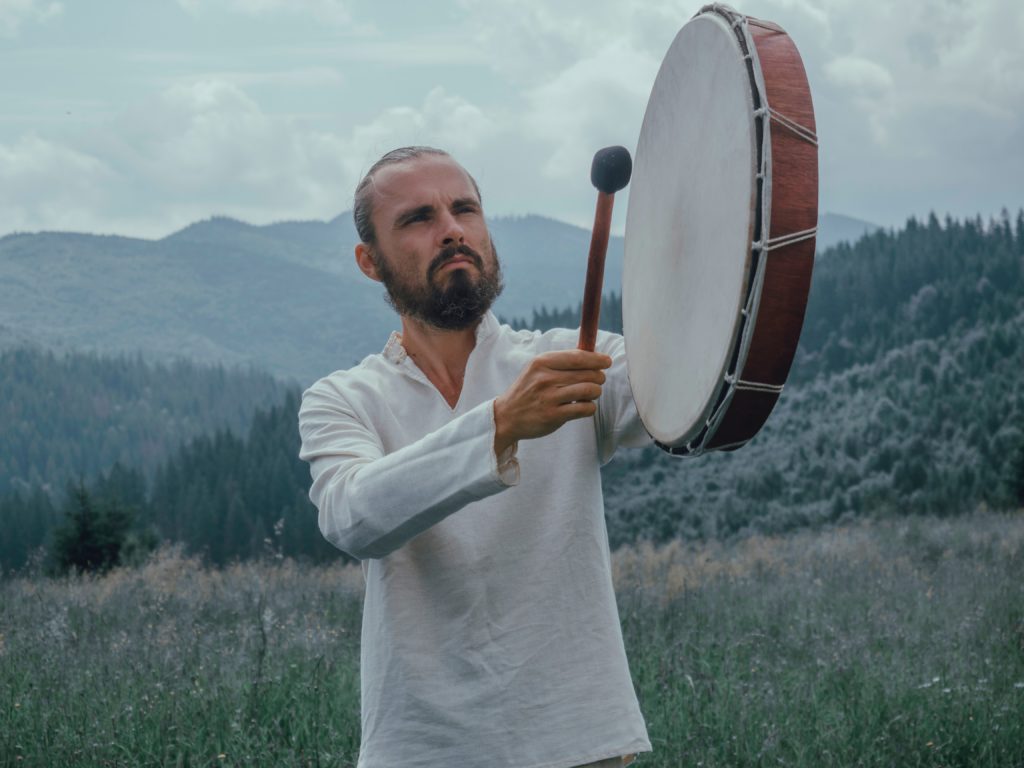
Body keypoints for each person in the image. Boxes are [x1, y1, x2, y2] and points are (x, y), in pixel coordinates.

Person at [298, 146, 652, 768]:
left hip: (581, 740)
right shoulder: (344, 400)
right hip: (422, 750)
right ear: (369, 262)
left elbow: (683, 391)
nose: (453, 228)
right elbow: (353, 517)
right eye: (418, 218)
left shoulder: (575, 358)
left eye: (465, 209)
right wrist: (501, 425)